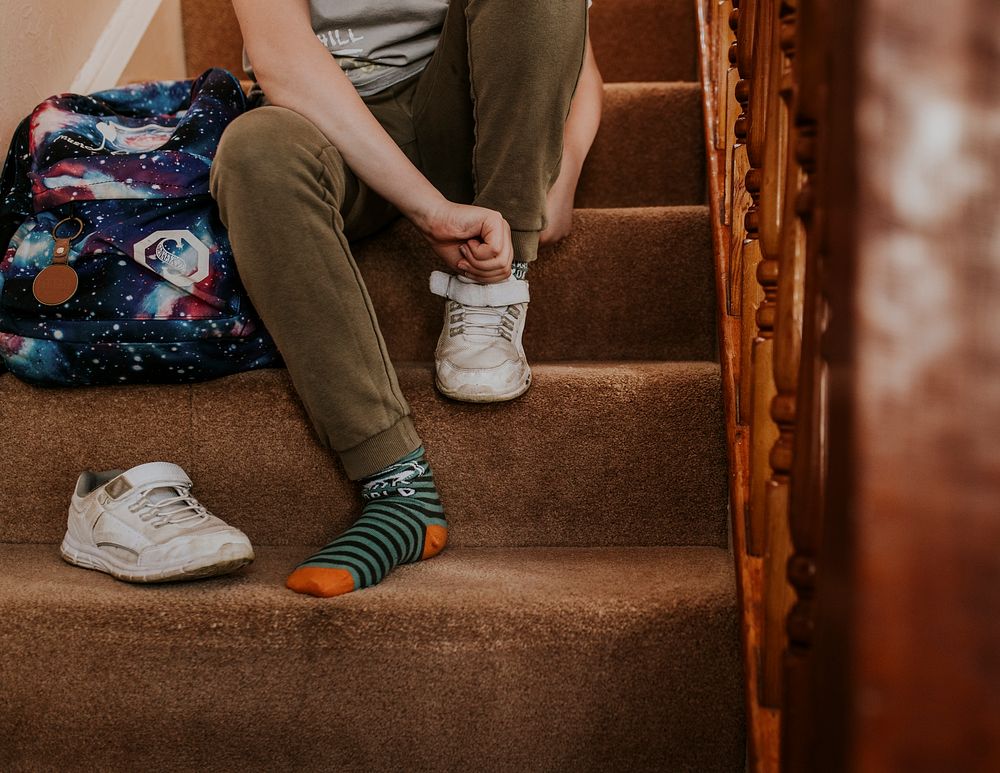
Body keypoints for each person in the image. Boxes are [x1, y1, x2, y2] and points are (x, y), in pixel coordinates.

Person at [208, 0, 603, 597]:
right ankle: (398, 490)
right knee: (255, 149)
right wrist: (432, 210)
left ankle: (494, 278)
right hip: (332, 118)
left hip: (463, 106)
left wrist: (562, 170)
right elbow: (283, 63)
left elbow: (571, 52)